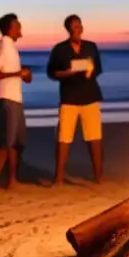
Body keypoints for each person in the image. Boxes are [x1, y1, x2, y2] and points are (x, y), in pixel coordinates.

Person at [47, 15, 104, 185]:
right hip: (69, 98)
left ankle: (98, 177)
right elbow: (52, 72)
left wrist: (89, 71)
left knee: (94, 138)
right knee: (64, 138)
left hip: (90, 96)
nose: (77, 30)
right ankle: (58, 178)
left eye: (79, 26)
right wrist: (67, 73)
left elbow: (98, 68)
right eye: (73, 27)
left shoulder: (91, 47)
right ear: (68, 29)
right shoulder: (59, 49)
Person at [0, 13, 33, 196]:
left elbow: (15, 73)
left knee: (17, 142)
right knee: (5, 142)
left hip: (15, 99)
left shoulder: (11, 47)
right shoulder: (3, 45)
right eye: (18, 25)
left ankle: (12, 179)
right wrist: (18, 74)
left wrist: (24, 75)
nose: (20, 28)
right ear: (10, 28)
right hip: (5, 99)